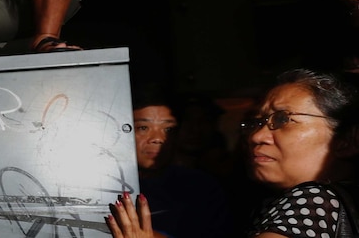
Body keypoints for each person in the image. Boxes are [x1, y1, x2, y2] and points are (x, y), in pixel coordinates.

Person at [107, 68, 359, 238]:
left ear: (346, 140)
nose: (257, 136)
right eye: (257, 123)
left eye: (284, 119)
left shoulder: (314, 198)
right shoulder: (275, 202)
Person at [129, 82, 233, 238]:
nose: (157, 138)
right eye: (143, 128)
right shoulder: (105, 186)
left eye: (168, 129)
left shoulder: (201, 187)